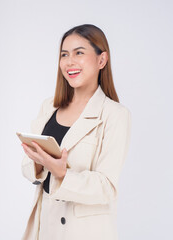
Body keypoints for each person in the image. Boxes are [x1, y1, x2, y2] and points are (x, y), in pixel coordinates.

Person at [20, 24, 131, 240]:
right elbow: (27, 169)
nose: (69, 61)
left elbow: (107, 187)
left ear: (102, 60)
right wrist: (37, 162)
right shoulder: (49, 106)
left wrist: (62, 173)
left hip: (85, 233)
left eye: (79, 53)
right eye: (64, 55)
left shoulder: (115, 114)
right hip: (45, 229)